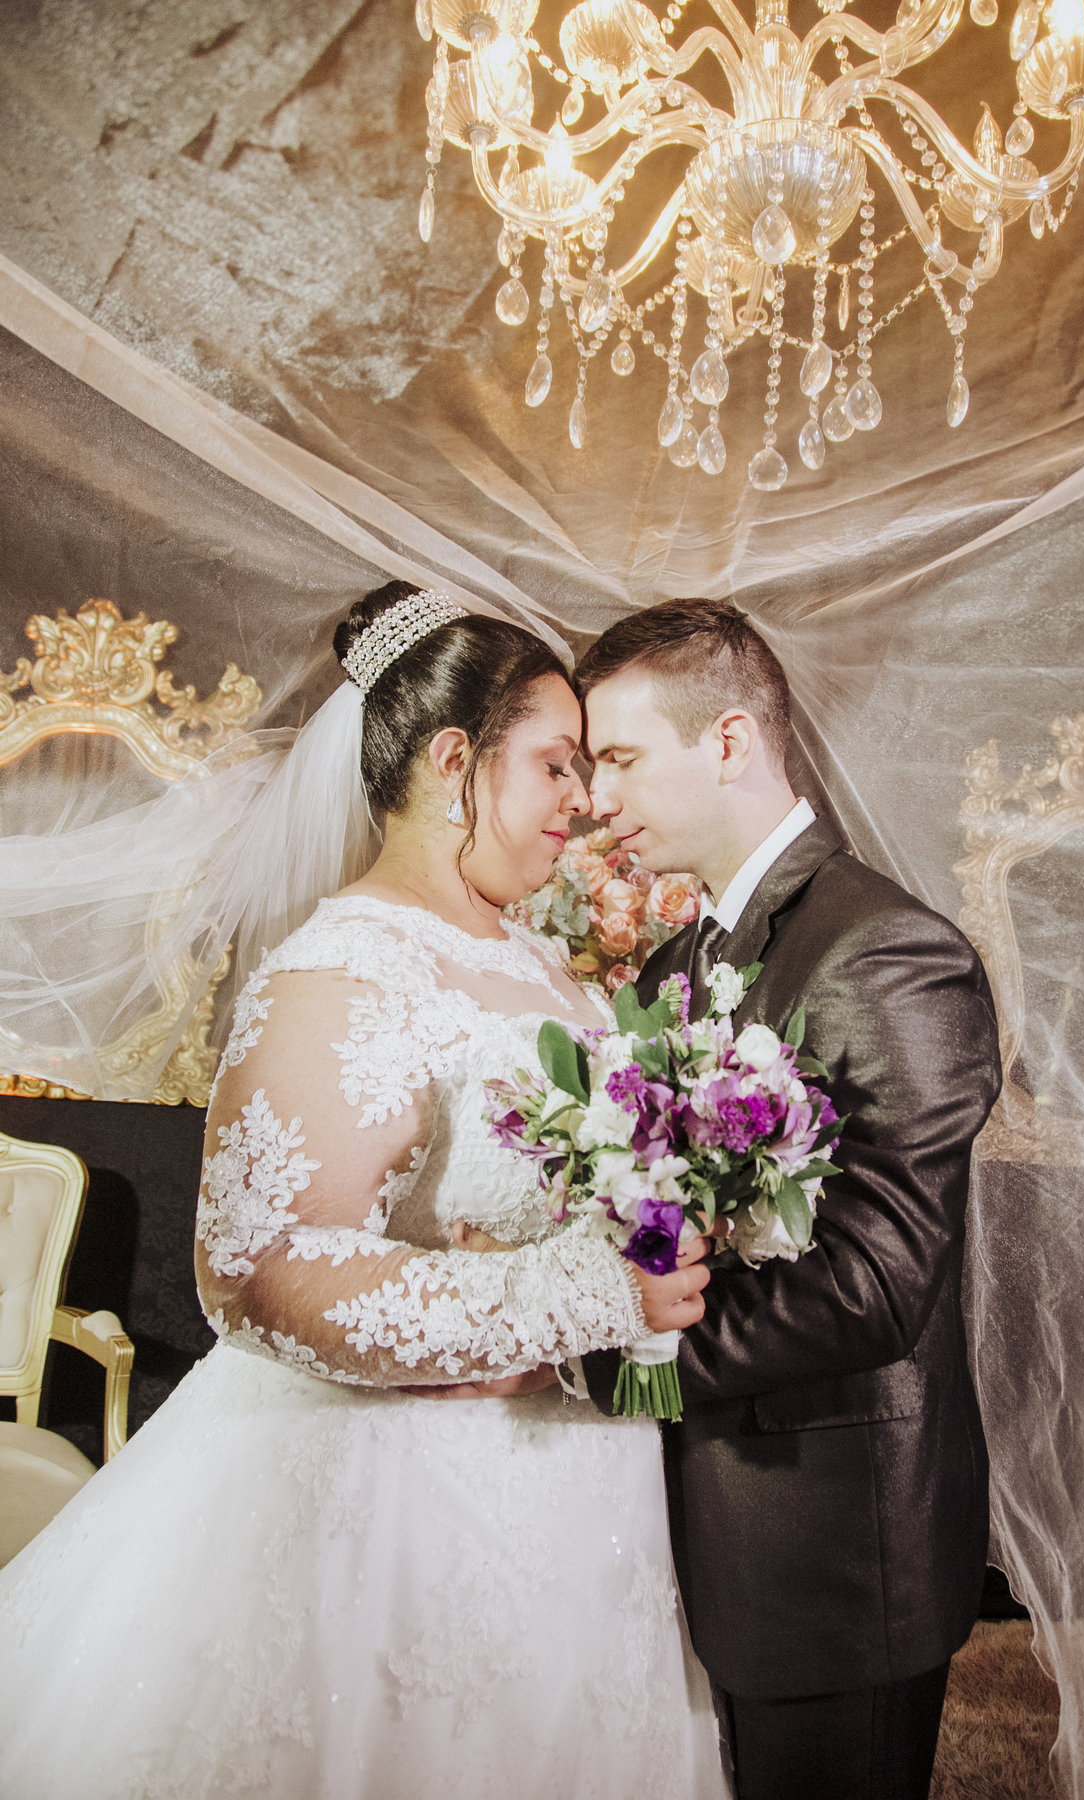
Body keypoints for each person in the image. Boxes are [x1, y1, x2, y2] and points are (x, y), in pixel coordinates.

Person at [0, 584, 728, 1800]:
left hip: (577, 1499)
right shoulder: (343, 969)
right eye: (553, 765)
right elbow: (261, 1273)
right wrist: (576, 1297)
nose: (582, 800)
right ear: (452, 763)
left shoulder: (539, 962)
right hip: (402, 1509)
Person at [576, 597, 1003, 1800]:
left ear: (727, 741)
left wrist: (624, 1361)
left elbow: (877, 1287)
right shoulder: (679, 964)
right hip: (703, 1519)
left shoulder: (884, 951)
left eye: (621, 758)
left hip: (832, 1547)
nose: (598, 798)